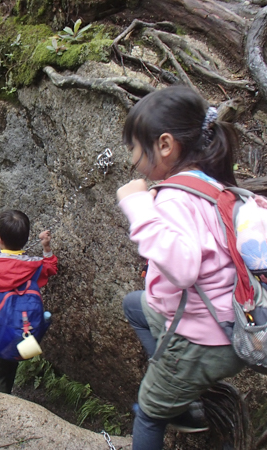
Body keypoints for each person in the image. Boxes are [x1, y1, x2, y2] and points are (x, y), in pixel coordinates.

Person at [116, 86, 246, 450]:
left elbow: (184, 269)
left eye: (135, 149)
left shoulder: (174, 197)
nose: (133, 160)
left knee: (148, 413)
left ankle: (178, 404)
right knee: (134, 305)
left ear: (165, 145)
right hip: (225, 321)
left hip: (202, 339)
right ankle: (182, 394)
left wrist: (137, 205)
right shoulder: (210, 185)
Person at [0, 210, 58, 394]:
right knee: (11, 361)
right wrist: (46, 246)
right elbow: (51, 267)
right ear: (26, 238)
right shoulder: (35, 267)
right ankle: (8, 392)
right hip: (21, 328)